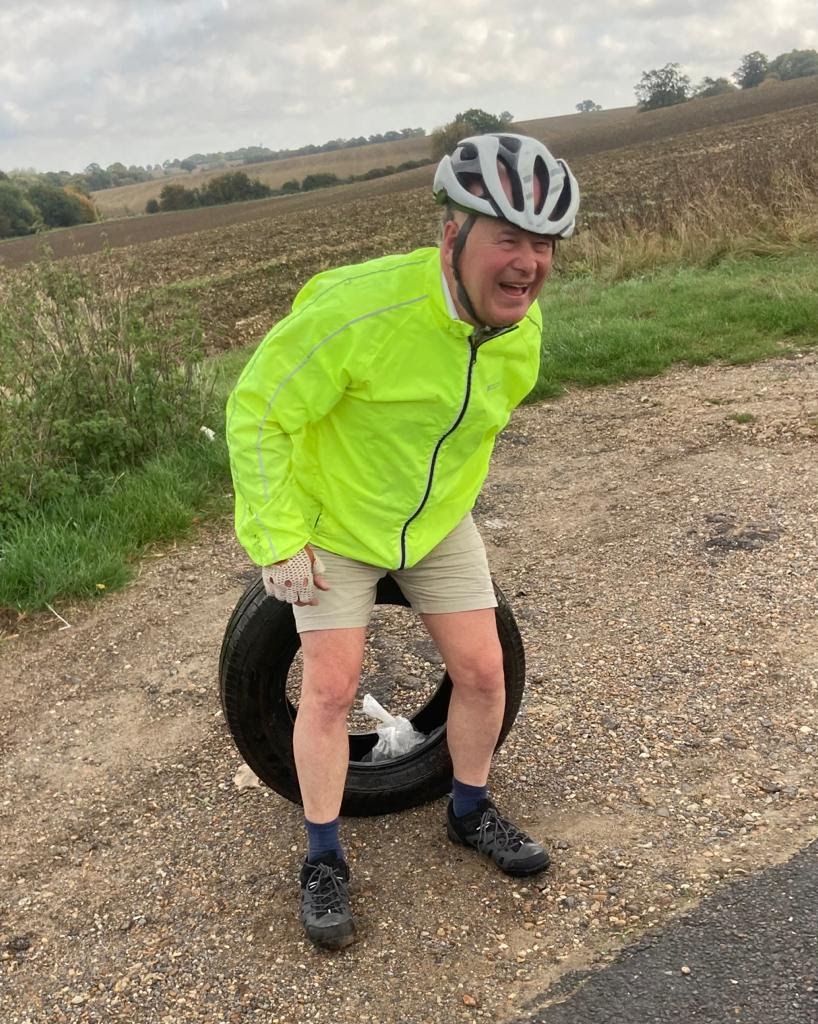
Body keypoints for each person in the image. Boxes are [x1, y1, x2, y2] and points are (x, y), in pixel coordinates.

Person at [226, 133, 579, 950]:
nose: (528, 263)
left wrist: (438, 511)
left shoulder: (520, 331)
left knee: (483, 673)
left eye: (544, 244)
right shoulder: (361, 311)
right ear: (454, 236)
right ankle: (322, 858)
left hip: (435, 525)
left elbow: (470, 431)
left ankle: (469, 810)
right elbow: (259, 411)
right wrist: (278, 538)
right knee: (329, 689)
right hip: (336, 525)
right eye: (509, 238)